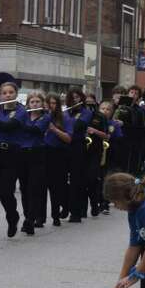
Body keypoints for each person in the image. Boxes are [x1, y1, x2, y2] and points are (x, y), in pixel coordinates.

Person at [0, 81, 27, 240]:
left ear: (16, 94)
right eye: (5, 93)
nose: (8, 95)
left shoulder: (21, 111)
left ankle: (12, 216)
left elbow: (7, 126)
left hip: (12, 153)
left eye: (11, 92)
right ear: (1, 95)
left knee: (5, 192)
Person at [18, 92, 48, 234]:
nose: (35, 104)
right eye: (32, 102)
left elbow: (36, 130)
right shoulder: (24, 116)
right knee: (24, 189)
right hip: (22, 154)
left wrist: (17, 123)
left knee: (34, 188)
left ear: (42, 104)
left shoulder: (45, 117)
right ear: (28, 104)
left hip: (37, 154)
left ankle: (30, 220)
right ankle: (27, 216)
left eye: (37, 101)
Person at [42, 93, 74, 226]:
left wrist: (54, 129)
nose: (50, 106)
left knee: (56, 187)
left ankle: (56, 215)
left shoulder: (65, 118)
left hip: (58, 154)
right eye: (47, 103)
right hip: (42, 153)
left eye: (53, 103)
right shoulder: (40, 117)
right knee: (42, 187)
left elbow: (68, 138)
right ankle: (40, 218)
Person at [64, 88, 92, 223]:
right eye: (72, 97)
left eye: (77, 97)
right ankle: (64, 207)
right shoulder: (66, 111)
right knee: (62, 180)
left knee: (76, 180)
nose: (75, 100)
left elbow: (78, 126)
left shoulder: (86, 112)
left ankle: (76, 212)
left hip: (77, 147)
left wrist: (63, 120)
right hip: (63, 146)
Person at [83, 95, 110, 217]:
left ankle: (95, 203)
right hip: (81, 151)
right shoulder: (81, 115)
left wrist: (94, 131)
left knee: (91, 179)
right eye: (87, 103)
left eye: (91, 103)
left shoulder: (100, 116)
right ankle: (82, 209)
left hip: (95, 151)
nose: (89, 105)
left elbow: (106, 135)